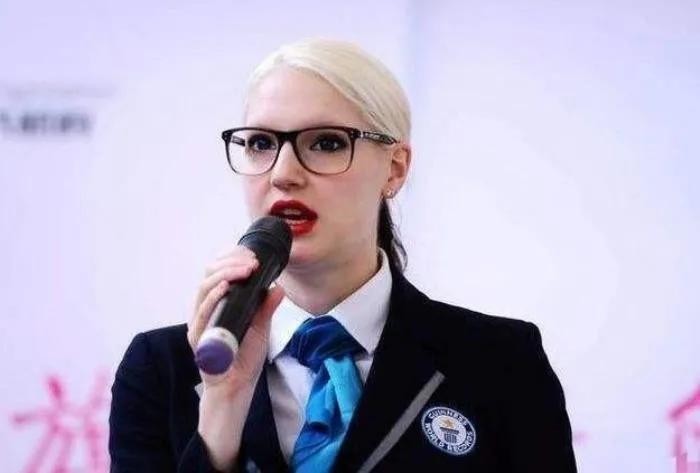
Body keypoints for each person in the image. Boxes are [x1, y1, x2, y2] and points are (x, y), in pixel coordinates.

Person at [109, 38, 577, 472]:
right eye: (261, 143)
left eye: (327, 143)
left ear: (395, 168)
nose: (283, 173)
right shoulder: (161, 369)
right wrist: (222, 410)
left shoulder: (500, 362)